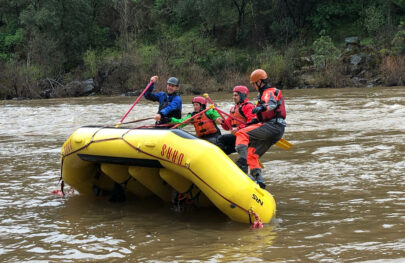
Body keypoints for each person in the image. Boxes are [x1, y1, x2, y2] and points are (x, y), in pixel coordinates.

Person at [234, 69, 286, 189]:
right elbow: (265, 114)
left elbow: (271, 104)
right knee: (252, 155)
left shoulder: (269, 92)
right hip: (275, 130)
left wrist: (262, 107)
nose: (253, 86)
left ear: (260, 82)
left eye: (254, 83)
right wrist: (255, 120)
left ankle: (242, 165)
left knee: (241, 134)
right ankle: (259, 180)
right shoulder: (262, 95)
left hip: (272, 127)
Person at [216, 85, 256, 155]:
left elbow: (252, 123)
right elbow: (227, 127)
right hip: (238, 135)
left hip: (247, 136)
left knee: (220, 139)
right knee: (224, 147)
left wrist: (238, 128)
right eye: (233, 95)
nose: (233, 97)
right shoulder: (233, 108)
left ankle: (221, 157)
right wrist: (222, 122)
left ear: (242, 95)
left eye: (236, 95)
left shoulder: (248, 106)